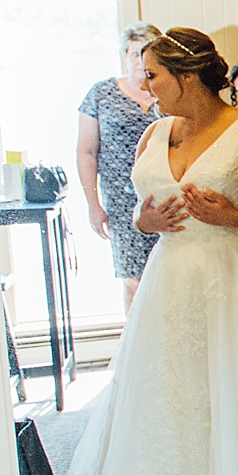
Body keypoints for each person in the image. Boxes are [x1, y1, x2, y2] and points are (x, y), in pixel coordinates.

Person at [27, 28, 238, 475]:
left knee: (223, 394)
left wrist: (235, 215)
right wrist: (145, 223)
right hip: (168, 279)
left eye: (152, 75)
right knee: (164, 397)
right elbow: (140, 211)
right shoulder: (154, 132)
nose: (143, 85)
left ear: (187, 78)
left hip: (226, 281)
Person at [77, 21, 161, 316]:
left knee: (165, 278)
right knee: (134, 280)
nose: (141, 62)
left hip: (163, 197)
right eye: (135, 54)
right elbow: (86, 151)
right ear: (125, 55)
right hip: (123, 204)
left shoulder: (167, 94)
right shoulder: (101, 94)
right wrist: (93, 204)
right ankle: (136, 347)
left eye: (148, 55)